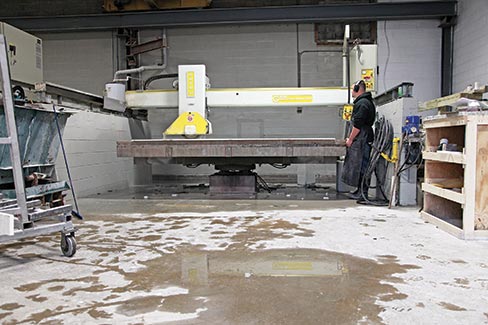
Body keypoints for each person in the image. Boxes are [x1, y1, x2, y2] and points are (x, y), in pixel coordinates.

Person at [341, 80, 376, 201]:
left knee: (362, 165)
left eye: (352, 89)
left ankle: (363, 193)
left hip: (363, 137)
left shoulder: (363, 103)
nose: (351, 92)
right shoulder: (365, 102)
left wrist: (350, 139)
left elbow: (358, 124)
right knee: (360, 164)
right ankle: (359, 190)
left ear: (357, 89)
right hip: (363, 136)